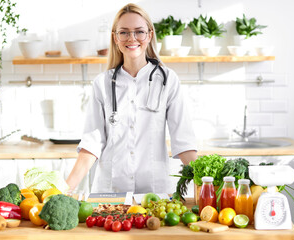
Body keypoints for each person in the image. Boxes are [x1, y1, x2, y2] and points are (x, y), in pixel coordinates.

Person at [66, 3, 197, 194]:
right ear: (115, 38)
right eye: (124, 32)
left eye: (139, 32)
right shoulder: (102, 84)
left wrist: (210, 182)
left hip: (154, 194)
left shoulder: (168, 80)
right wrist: (62, 190)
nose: (132, 38)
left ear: (150, 35)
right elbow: (91, 146)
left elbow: (183, 142)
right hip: (110, 194)